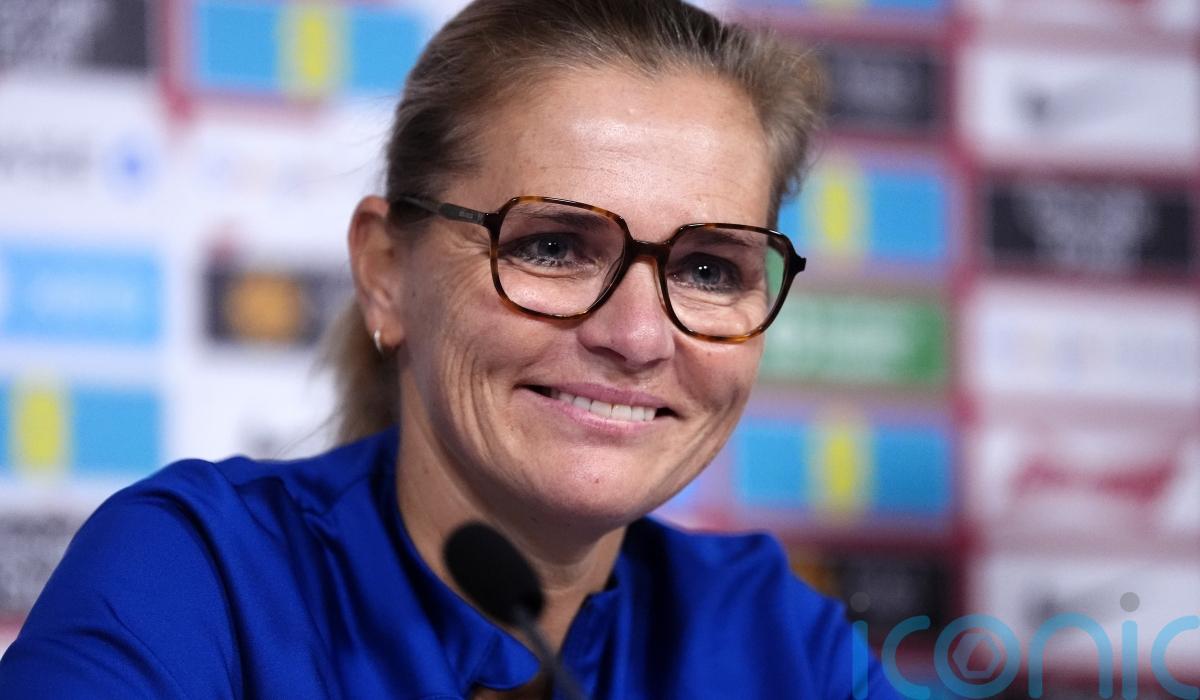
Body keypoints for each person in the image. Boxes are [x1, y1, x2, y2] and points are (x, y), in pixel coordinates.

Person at [0, 0, 898, 697]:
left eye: (708, 268)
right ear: (386, 272)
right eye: (553, 247)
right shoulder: (196, 577)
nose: (635, 336)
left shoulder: (777, 638)